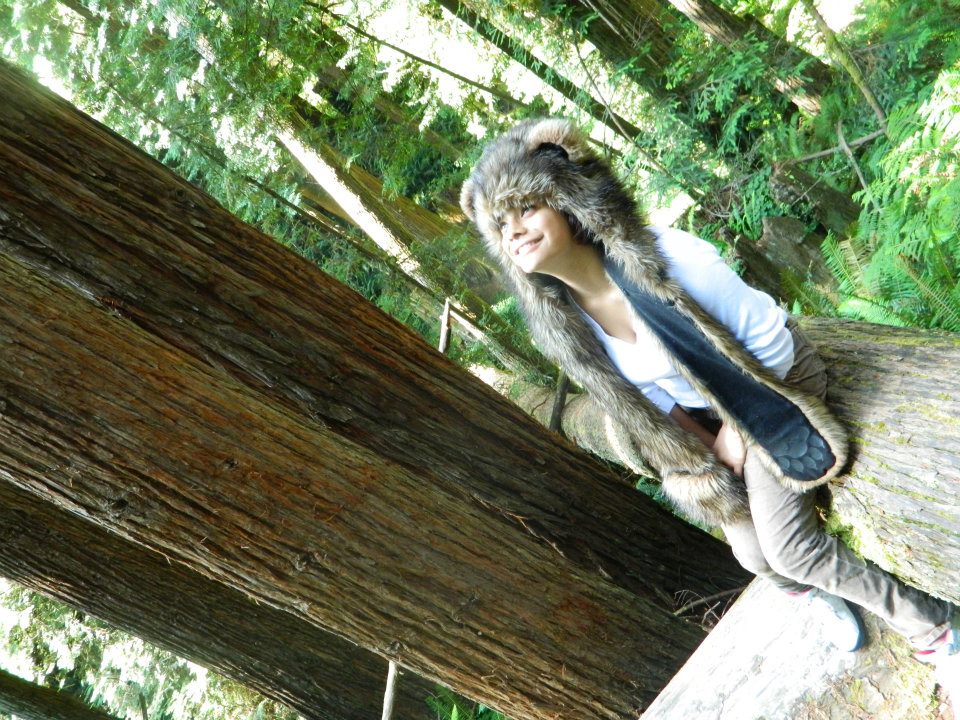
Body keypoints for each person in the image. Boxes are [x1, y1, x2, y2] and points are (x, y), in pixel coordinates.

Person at [459, 117, 958, 697]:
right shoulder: (565, 324)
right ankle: (815, 593)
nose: (515, 230)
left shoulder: (669, 259)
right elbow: (649, 399)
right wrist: (709, 450)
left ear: (569, 205)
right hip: (718, 414)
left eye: (527, 208)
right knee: (752, 554)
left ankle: (936, 630)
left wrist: (740, 430)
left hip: (775, 382)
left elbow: (772, 341)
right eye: (501, 223)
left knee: (792, 549)